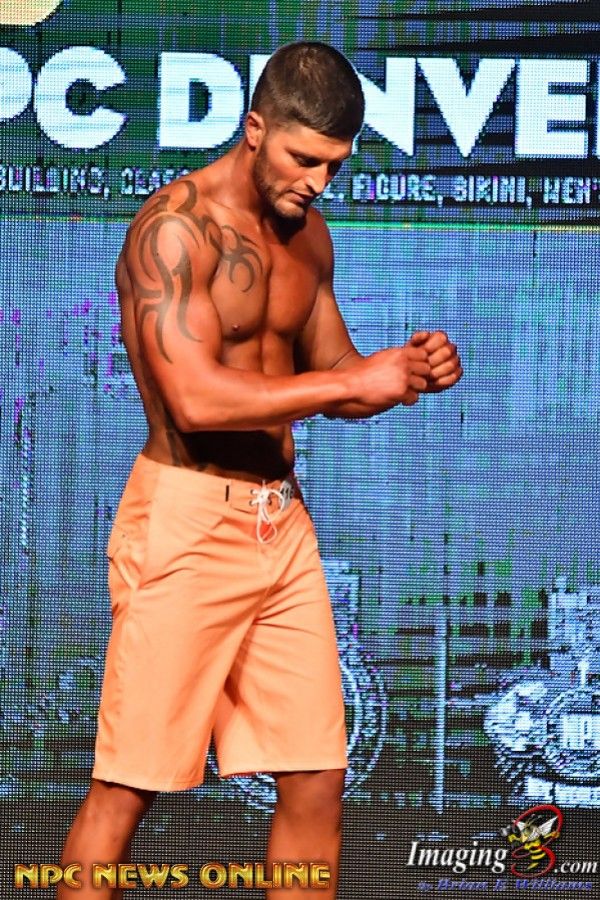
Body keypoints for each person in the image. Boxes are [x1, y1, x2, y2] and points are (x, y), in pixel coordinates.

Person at [58, 41, 462, 898]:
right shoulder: (175, 229)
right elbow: (196, 398)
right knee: (127, 787)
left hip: (282, 526)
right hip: (186, 521)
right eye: (303, 158)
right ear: (254, 128)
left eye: (335, 165)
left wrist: (400, 373)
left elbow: (332, 371)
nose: (318, 181)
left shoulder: (308, 235)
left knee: (316, 774)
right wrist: (350, 382)